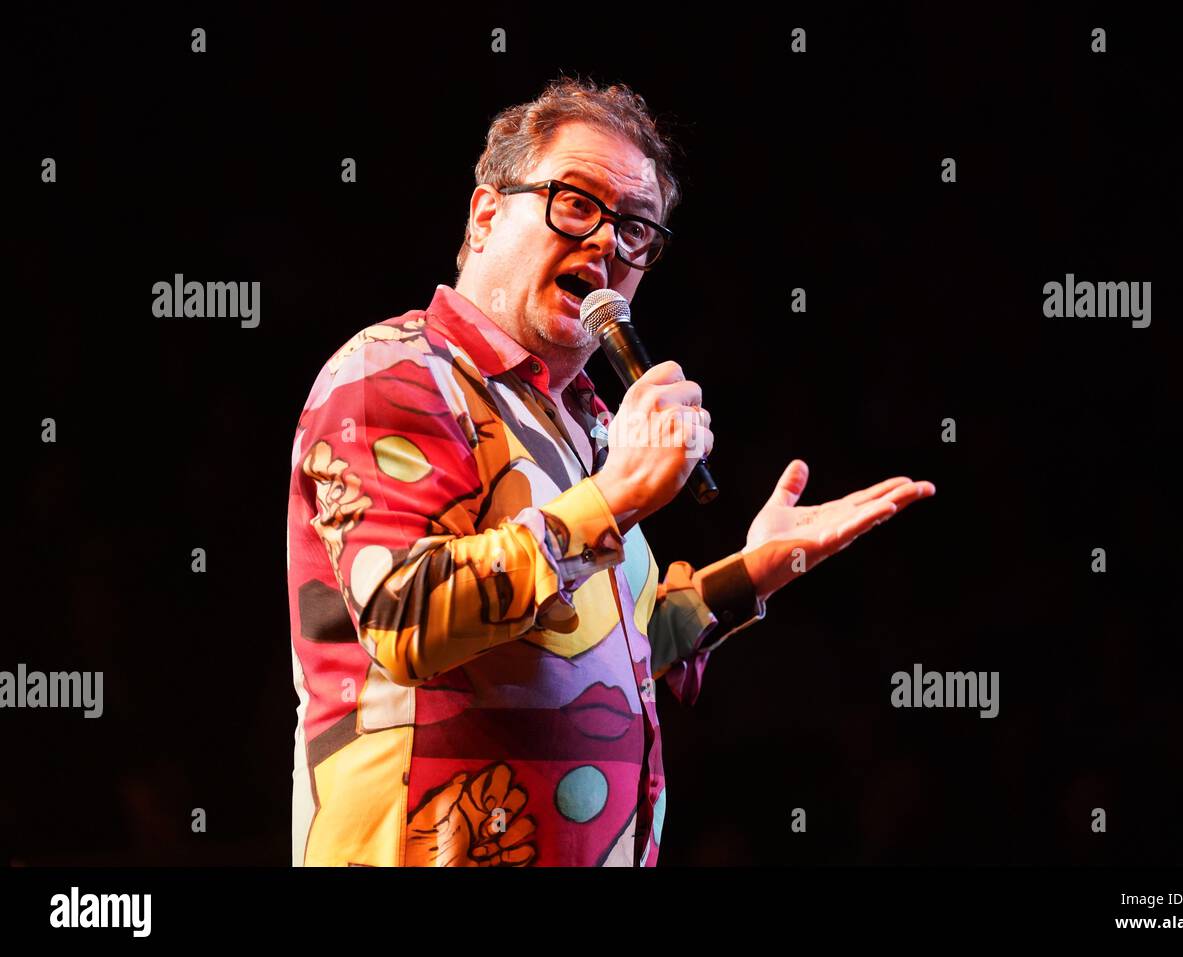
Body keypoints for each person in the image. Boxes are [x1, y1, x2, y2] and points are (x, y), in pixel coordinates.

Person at [286, 77, 935, 867]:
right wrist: (618, 494)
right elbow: (406, 617)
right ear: (486, 214)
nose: (606, 243)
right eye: (576, 203)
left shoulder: (587, 421)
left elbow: (597, 648)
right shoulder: (393, 370)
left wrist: (751, 573)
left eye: (636, 229)